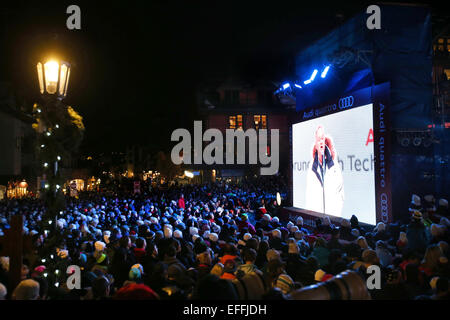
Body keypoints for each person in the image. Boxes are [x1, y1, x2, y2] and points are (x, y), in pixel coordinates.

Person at [305, 125, 344, 217]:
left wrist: (334, 215)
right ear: (315, 141)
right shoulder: (312, 168)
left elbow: (341, 193)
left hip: (332, 217)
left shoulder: (334, 166)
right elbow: (309, 196)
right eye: (318, 139)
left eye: (322, 138)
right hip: (316, 217)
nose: (321, 142)